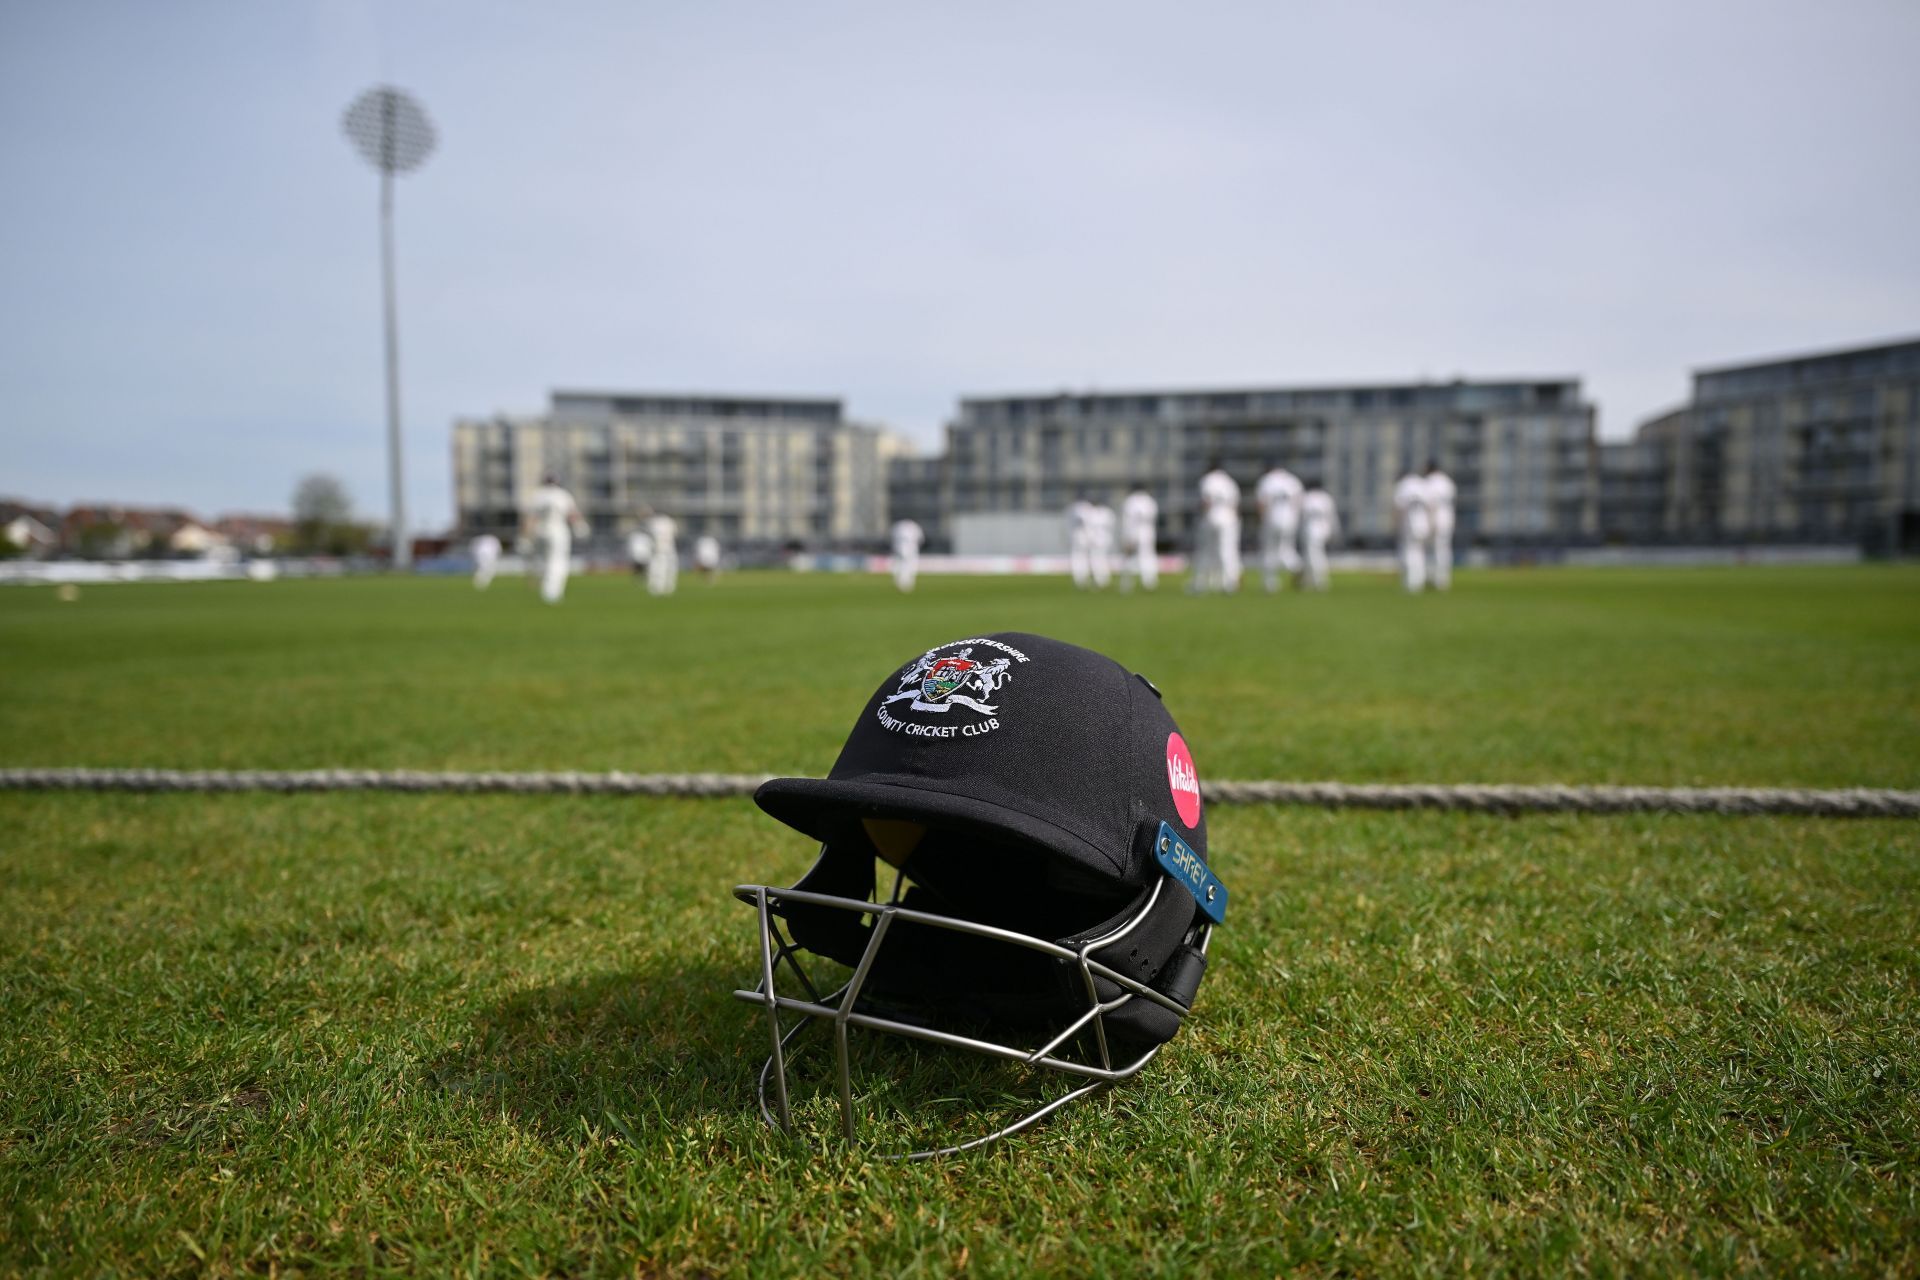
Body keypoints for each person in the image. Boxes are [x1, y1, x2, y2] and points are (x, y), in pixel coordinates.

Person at [526, 475, 587, 604]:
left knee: (542, 560)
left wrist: (526, 536)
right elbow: (572, 514)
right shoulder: (562, 495)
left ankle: (544, 587)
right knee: (558, 562)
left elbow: (531, 518)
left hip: (540, 530)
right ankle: (551, 593)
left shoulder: (538, 495)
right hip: (558, 530)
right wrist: (580, 526)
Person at [1191, 459, 1241, 594]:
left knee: (1205, 551)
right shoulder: (1230, 482)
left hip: (1211, 517)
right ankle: (1229, 583)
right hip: (1229, 519)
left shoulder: (1208, 479)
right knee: (1227, 551)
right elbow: (1235, 505)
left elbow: (1206, 501)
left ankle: (1200, 584)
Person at [1254, 464, 1303, 593]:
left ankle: (1270, 583)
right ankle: (1296, 566)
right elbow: (1298, 503)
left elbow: (1261, 503)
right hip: (1289, 520)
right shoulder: (1292, 480)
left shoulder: (1267, 480)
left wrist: (1262, 519)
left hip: (1271, 519)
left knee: (1269, 551)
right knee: (1286, 548)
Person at [1392, 467, 1431, 593]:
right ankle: (1420, 581)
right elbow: (1431, 505)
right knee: (1420, 553)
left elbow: (1399, 508)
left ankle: (1411, 583)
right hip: (1424, 523)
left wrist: (1396, 525)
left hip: (1409, 523)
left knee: (1409, 553)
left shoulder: (1403, 486)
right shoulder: (1422, 484)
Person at [1422, 459, 1457, 591]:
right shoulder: (1447, 481)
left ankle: (1433, 579)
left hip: (1434, 516)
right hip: (1447, 517)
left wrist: (1429, 521)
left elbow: (1430, 503)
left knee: (1432, 550)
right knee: (1444, 549)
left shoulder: (1430, 481)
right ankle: (1443, 580)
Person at [1119, 482, 1159, 592]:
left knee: (1128, 558)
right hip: (1147, 532)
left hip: (1133, 531)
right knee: (1147, 557)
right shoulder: (1150, 501)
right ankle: (1149, 582)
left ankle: (1126, 583)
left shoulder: (1130, 501)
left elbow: (1126, 520)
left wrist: (1126, 536)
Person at [1299, 483, 1338, 591]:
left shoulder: (1307, 498)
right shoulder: (1326, 498)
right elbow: (1332, 517)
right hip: (1324, 529)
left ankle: (1320, 581)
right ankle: (1308, 581)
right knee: (1314, 555)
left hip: (1311, 530)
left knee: (1314, 556)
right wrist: (1333, 532)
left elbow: (1303, 517)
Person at [1067, 496, 1097, 589]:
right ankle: (1087, 578)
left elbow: (1080, 520)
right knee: (1088, 558)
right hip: (1088, 536)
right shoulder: (1090, 508)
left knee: (1079, 558)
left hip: (1081, 537)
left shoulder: (1077, 507)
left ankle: (1081, 579)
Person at [646, 509, 678, 596]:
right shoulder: (668, 522)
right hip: (664, 548)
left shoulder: (655, 522)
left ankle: (660, 587)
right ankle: (662, 587)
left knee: (660, 568)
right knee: (662, 568)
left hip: (662, 548)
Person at [1086, 499, 1116, 589]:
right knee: (1103, 559)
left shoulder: (1091, 514)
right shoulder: (1107, 513)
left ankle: (1098, 580)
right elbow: (1112, 526)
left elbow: (1088, 528)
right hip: (1105, 539)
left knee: (1096, 560)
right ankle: (1104, 579)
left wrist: (1089, 539)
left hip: (1095, 540)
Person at [890, 518, 924, 592]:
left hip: (905, 547)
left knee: (905, 564)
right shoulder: (913, 526)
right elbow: (920, 538)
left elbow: (893, 537)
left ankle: (903, 580)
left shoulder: (899, 526)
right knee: (905, 564)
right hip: (907, 548)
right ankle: (904, 581)